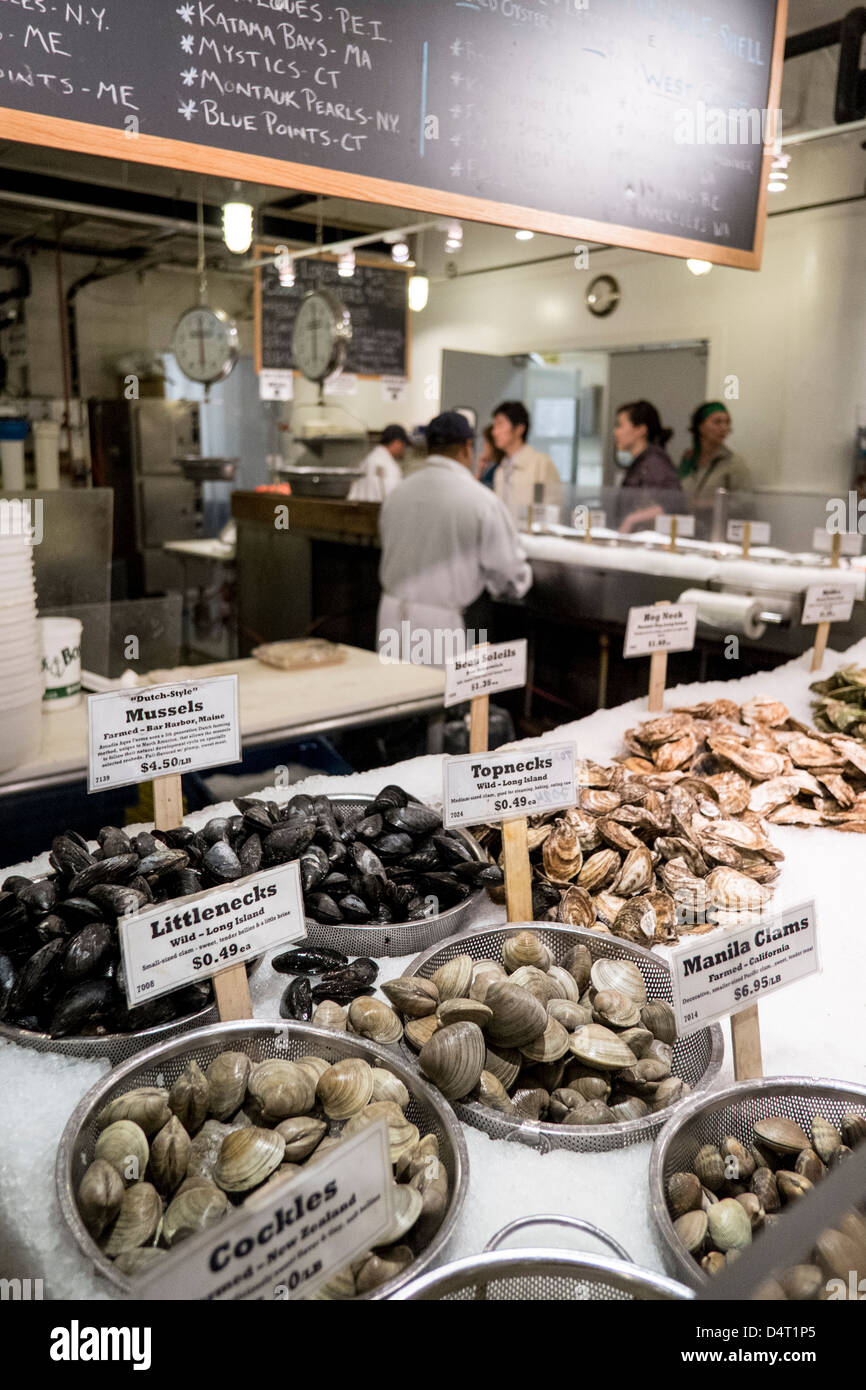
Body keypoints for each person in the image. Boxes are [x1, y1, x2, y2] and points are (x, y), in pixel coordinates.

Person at [377, 411, 533, 664]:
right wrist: (520, 583)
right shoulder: (481, 501)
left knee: (394, 699)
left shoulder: (398, 493)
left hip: (390, 618)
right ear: (467, 448)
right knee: (440, 700)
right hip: (439, 628)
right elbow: (508, 573)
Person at [614, 400, 682, 534]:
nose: (615, 432)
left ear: (640, 430)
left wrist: (631, 520)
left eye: (620, 426)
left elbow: (673, 504)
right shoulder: (641, 462)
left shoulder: (653, 462)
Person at [491, 401, 563, 520]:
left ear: (519, 429)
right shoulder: (500, 470)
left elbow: (553, 511)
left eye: (500, 425)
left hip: (531, 537)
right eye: (494, 426)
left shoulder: (541, 464)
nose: (494, 432)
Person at [679, 402, 752, 496]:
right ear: (700, 426)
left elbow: (745, 502)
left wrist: (713, 504)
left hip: (717, 511)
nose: (724, 428)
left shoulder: (733, 463)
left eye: (727, 423)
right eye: (717, 422)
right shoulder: (689, 459)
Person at [347, 424, 410, 503]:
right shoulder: (390, 467)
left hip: (358, 512)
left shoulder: (366, 461)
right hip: (377, 513)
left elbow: (352, 494)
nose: (403, 450)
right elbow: (395, 500)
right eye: (403, 445)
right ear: (397, 443)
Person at [476, 423, 505, 489]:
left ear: (493, 446)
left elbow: (476, 489)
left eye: (486, 442)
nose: (484, 446)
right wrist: (480, 468)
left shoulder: (496, 471)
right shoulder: (489, 467)